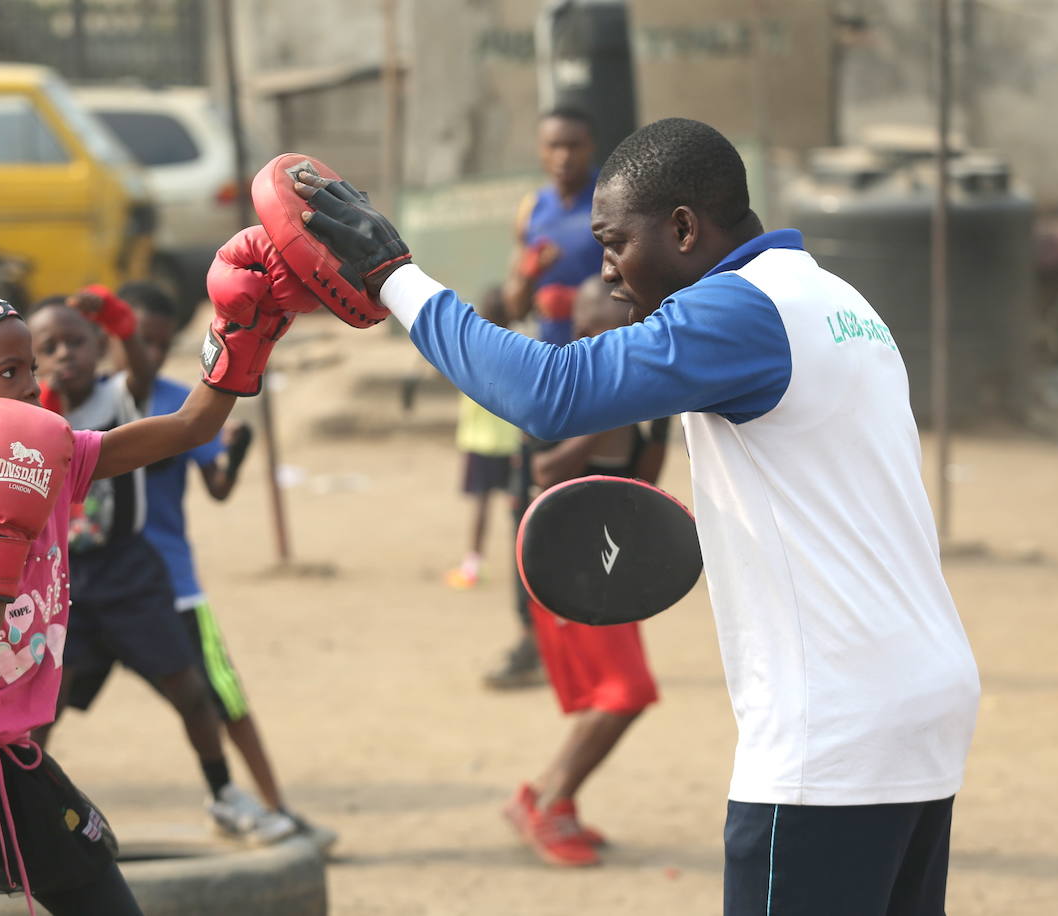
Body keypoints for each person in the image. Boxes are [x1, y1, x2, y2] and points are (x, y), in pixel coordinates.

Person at [293, 117, 981, 915]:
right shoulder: (836, 299)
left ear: (685, 228)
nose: (610, 272)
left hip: (833, 724)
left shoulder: (744, 309)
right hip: (922, 697)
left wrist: (392, 275)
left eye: (616, 243)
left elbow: (550, 393)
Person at [0, 225, 310, 914]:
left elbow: (189, 427)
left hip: (12, 753)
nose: (32, 385)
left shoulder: (56, 456)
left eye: (30, 370)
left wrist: (241, 339)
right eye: (10, 372)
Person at [27, 286, 286, 844]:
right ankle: (19, 811)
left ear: (100, 348)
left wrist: (123, 324)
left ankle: (222, 793)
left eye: (76, 342)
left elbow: (140, 371)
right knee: (42, 708)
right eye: (49, 347)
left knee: (191, 691)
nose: (65, 355)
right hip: (66, 583)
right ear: (31, 362)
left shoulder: (120, 394)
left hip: (131, 572)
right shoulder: (28, 420)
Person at [122, 279, 321, 844]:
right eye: (142, 340)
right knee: (43, 703)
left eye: (163, 344)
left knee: (221, 699)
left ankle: (273, 806)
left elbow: (217, 486)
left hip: (173, 582)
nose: (152, 354)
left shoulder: (181, 404)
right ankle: (2, 820)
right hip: (99, 586)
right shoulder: (89, 398)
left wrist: (235, 453)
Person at [502, 277, 667, 867]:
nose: (599, 339)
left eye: (619, 320)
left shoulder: (649, 399)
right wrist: (608, 413)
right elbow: (545, 469)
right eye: (594, 325)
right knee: (626, 693)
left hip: (610, 564)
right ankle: (551, 801)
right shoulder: (561, 391)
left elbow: (644, 485)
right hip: (562, 565)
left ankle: (544, 795)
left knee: (619, 691)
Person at [487, 107, 604, 690]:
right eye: (554, 146)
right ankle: (531, 640)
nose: (564, 156)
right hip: (544, 378)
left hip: (604, 382)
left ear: (591, 146)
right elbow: (511, 304)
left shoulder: (610, 203)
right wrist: (530, 274)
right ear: (541, 150)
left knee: (596, 510)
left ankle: (598, 638)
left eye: (574, 144)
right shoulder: (532, 210)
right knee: (526, 509)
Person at [444, 287, 522, 590]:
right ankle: (524, 565)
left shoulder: (473, 350)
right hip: (511, 441)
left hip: (479, 441)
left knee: (482, 507)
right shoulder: (520, 348)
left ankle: (473, 564)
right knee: (518, 507)